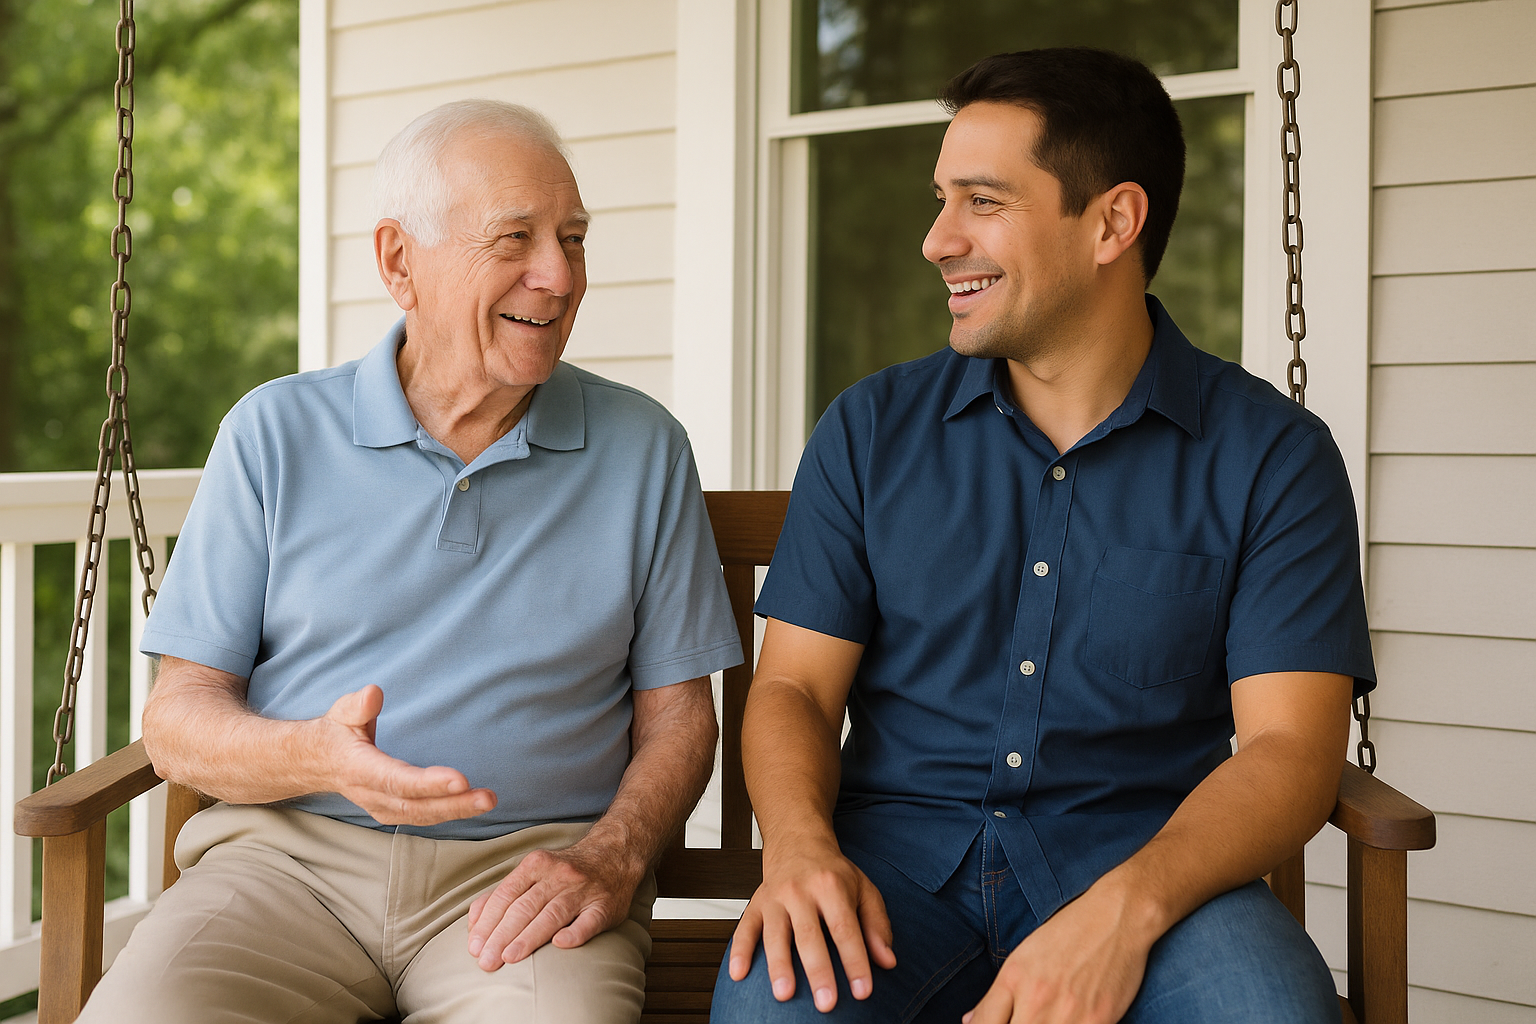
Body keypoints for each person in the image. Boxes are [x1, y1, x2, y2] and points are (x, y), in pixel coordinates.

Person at [710, 48, 1367, 1024]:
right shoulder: (871, 430)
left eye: (982, 201)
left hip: (1155, 871)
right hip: (895, 872)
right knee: (776, 1007)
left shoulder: (1273, 456)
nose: (936, 240)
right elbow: (795, 687)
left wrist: (1127, 911)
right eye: (942, 200)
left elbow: (1288, 751)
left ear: (1112, 222)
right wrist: (800, 851)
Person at [79, 99, 742, 1024]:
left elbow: (678, 719)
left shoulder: (642, 447)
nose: (557, 276)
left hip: (526, 879)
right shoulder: (274, 433)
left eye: (574, 239)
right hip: (284, 868)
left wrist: (613, 854)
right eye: (515, 238)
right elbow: (180, 721)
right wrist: (316, 753)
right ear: (400, 262)